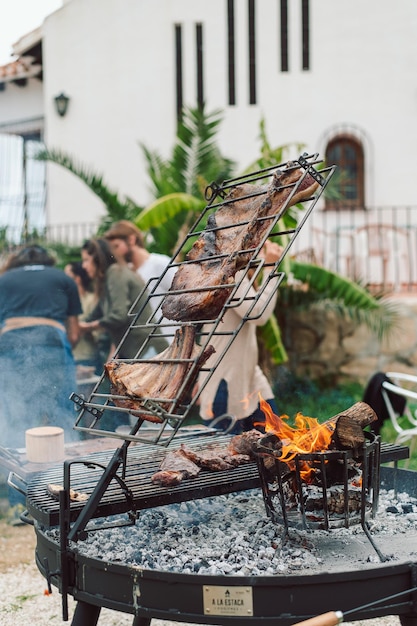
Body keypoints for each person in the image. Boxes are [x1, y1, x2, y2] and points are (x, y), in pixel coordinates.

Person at [0, 245, 82, 449]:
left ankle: (14, 464)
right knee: (61, 407)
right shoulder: (63, 279)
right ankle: (66, 461)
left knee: (15, 410)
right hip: (53, 343)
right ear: (48, 260)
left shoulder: (4, 280)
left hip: (10, 345)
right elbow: (74, 333)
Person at [197, 240, 281, 434]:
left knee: (274, 439)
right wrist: (270, 268)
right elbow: (257, 313)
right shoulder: (230, 274)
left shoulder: (240, 273)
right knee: (225, 454)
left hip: (249, 376)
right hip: (225, 380)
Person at [80, 238, 168, 359]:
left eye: (86, 260)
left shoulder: (115, 273)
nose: (83, 266)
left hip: (147, 350)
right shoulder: (106, 282)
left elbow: (118, 316)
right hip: (138, 351)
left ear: (97, 258)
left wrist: (88, 327)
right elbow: (94, 315)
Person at [103, 220, 176, 336]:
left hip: (171, 338)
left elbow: (183, 296)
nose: (115, 253)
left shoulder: (160, 264)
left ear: (131, 240)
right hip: (145, 345)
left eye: (117, 246)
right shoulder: (126, 273)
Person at [64, 261, 108, 376]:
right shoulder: (64, 302)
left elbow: (100, 328)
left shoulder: (93, 300)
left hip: (87, 356)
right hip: (69, 357)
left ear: (77, 279)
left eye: (67, 276)